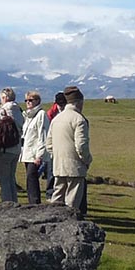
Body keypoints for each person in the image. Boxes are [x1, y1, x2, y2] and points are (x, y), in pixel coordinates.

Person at [47, 86, 92, 217]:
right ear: (79, 102)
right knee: (72, 203)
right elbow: (81, 145)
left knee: (57, 199)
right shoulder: (79, 119)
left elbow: (49, 144)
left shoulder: (56, 119)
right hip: (75, 166)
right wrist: (87, 160)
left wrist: (56, 156)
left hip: (58, 165)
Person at [0, 88, 24, 203]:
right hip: (16, 149)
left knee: (4, 180)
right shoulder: (19, 110)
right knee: (11, 178)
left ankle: (7, 204)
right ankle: (14, 202)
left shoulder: (3, 111)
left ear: (4, 98)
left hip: (4, 149)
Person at [20, 90, 50, 204]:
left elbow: (43, 136)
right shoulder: (27, 116)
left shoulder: (41, 115)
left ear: (38, 101)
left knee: (32, 177)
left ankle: (35, 202)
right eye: (26, 100)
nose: (28, 102)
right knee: (29, 179)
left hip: (35, 154)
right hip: (27, 153)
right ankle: (31, 201)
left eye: (31, 100)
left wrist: (39, 155)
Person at [44, 92, 66, 199]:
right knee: (51, 171)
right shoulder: (51, 113)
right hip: (53, 145)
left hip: (62, 144)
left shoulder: (66, 111)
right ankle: (49, 193)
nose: (61, 106)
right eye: (59, 104)